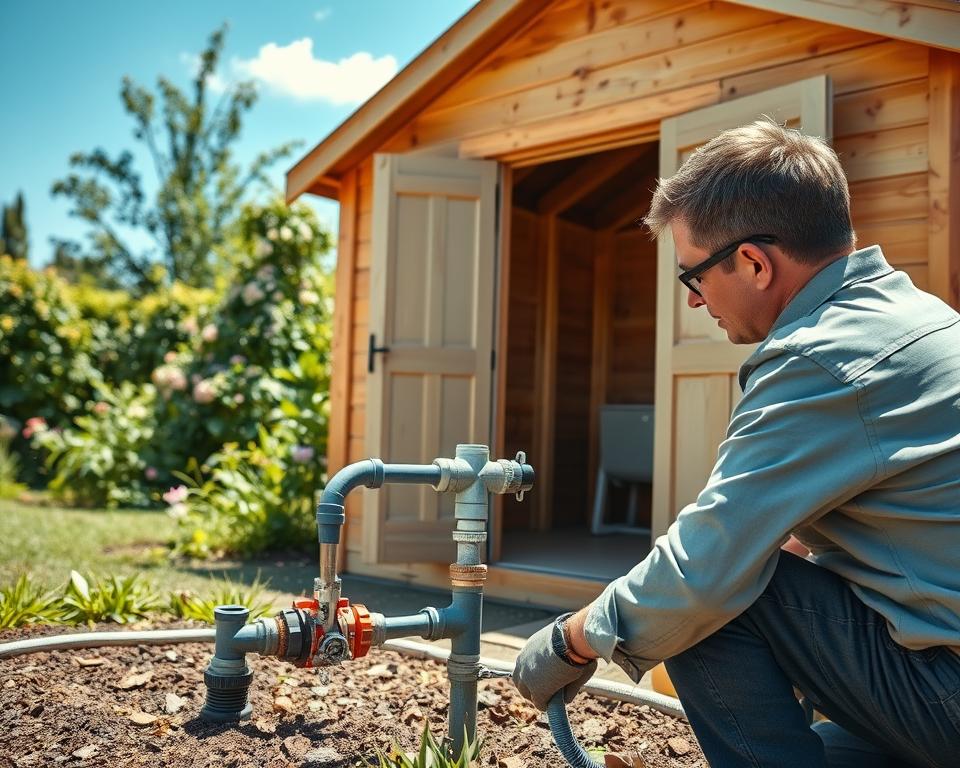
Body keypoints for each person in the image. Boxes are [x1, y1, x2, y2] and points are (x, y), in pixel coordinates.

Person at [512, 119, 960, 767]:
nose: (694, 303)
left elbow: (702, 575)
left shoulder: (819, 359)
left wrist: (571, 641)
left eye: (692, 277)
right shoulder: (918, 317)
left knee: (714, 597)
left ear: (752, 262)